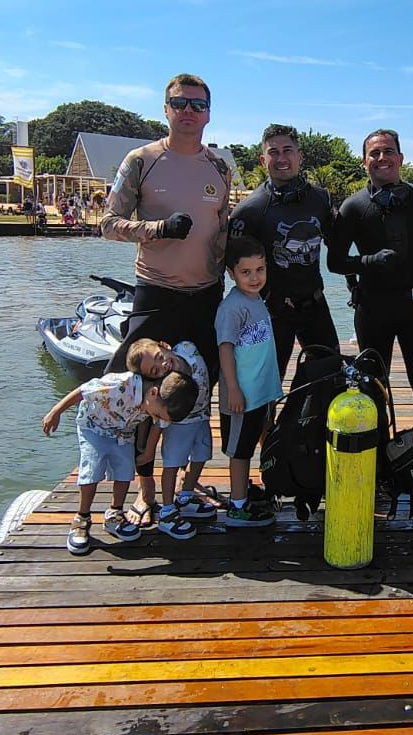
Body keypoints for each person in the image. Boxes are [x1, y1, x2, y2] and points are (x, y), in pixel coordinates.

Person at [101, 72, 232, 527]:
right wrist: (155, 230)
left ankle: (188, 484)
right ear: (166, 109)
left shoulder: (220, 167)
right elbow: (108, 222)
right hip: (156, 293)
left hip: (206, 297)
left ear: (210, 112)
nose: (189, 112)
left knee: (197, 389)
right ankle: (143, 491)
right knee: (140, 394)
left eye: (198, 105)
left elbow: (222, 231)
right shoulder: (141, 160)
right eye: (180, 104)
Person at [328, 129, 413, 419]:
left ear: (400, 158)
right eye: (374, 153)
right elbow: (334, 262)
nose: (382, 157)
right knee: (371, 386)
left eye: (388, 151)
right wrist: (368, 261)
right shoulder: (354, 206)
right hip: (372, 308)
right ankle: (374, 458)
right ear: (364, 161)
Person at [42, 370, 199, 555]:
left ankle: (114, 514)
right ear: (154, 393)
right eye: (159, 413)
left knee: (125, 471)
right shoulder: (121, 384)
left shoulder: (160, 406)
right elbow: (84, 390)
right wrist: (56, 411)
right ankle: (81, 519)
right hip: (94, 427)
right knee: (92, 470)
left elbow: (158, 425)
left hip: (123, 433)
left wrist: (149, 452)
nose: (158, 417)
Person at [230, 124, 339, 378]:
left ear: (300, 156)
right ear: (262, 159)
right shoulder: (250, 209)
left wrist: (356, 282)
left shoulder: (321, 199)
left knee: (329, 373)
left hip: (314, 304)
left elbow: (338, 249)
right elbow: (231, 266)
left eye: (287, 150)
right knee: (265, 383)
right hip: (271, 310)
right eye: (273, 152)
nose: (281, 158)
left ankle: (302, 418)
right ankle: (267, 419)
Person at [216, 236, 281, 527]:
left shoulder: (257, 300)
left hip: (261, 394)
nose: (255, 278)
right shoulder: (233, 307)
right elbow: (225, 348)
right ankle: (237, 505)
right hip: (241, 396)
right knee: (240, 451)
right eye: (246, 272)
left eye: (260, 270)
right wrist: (233, 389)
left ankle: (254, 489)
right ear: (231, 273)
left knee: (258, 440)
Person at [127, 338, 218, 539]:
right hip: (178, 425)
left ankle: (185, 496)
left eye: (160, 358)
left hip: (201, 417)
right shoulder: (167, 385)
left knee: (201, 455)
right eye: (155, 371)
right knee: (171, 464)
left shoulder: (187, 347)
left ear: (165, 346)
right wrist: (149, 451)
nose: (162, 366)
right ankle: (168, 510)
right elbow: (159, 421)